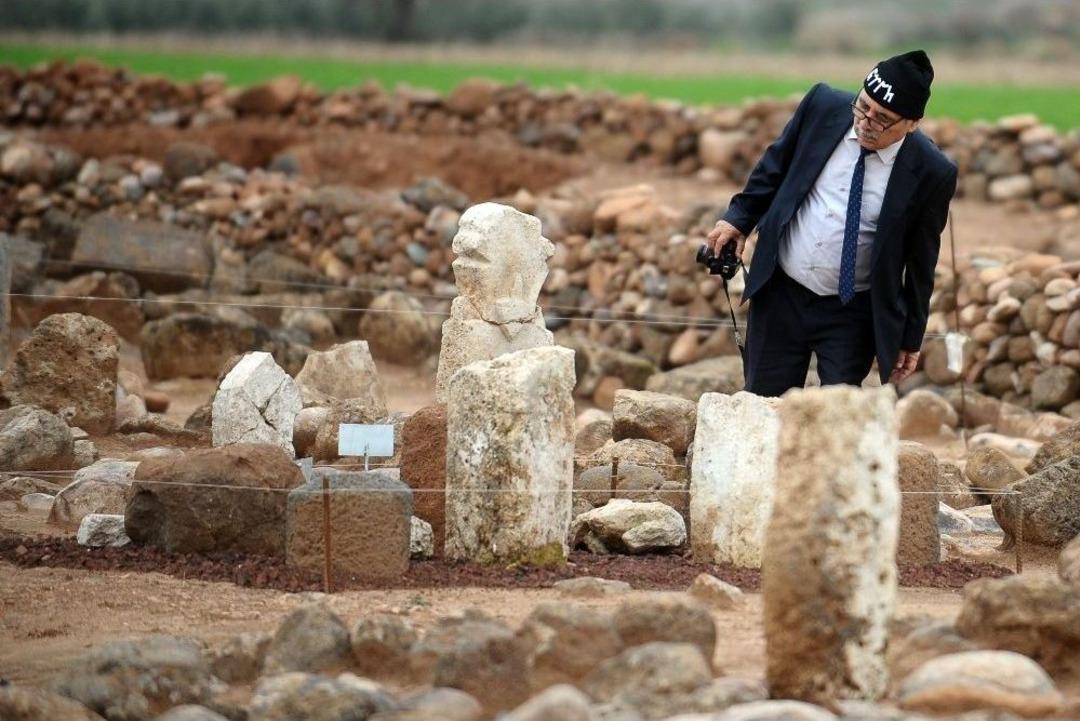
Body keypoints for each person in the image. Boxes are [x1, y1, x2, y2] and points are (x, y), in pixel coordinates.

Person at [707, 50, 957, 397]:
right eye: (863, 106)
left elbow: (921, 262)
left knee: (836, 417)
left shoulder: (932, 172)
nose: (866, 121)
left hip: (851, 312)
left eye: (882, 118)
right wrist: (739, 220)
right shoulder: (823, 106)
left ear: (912, 124)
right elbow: (774, 167)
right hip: (782, 291)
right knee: (762, 405)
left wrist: (910, 336)